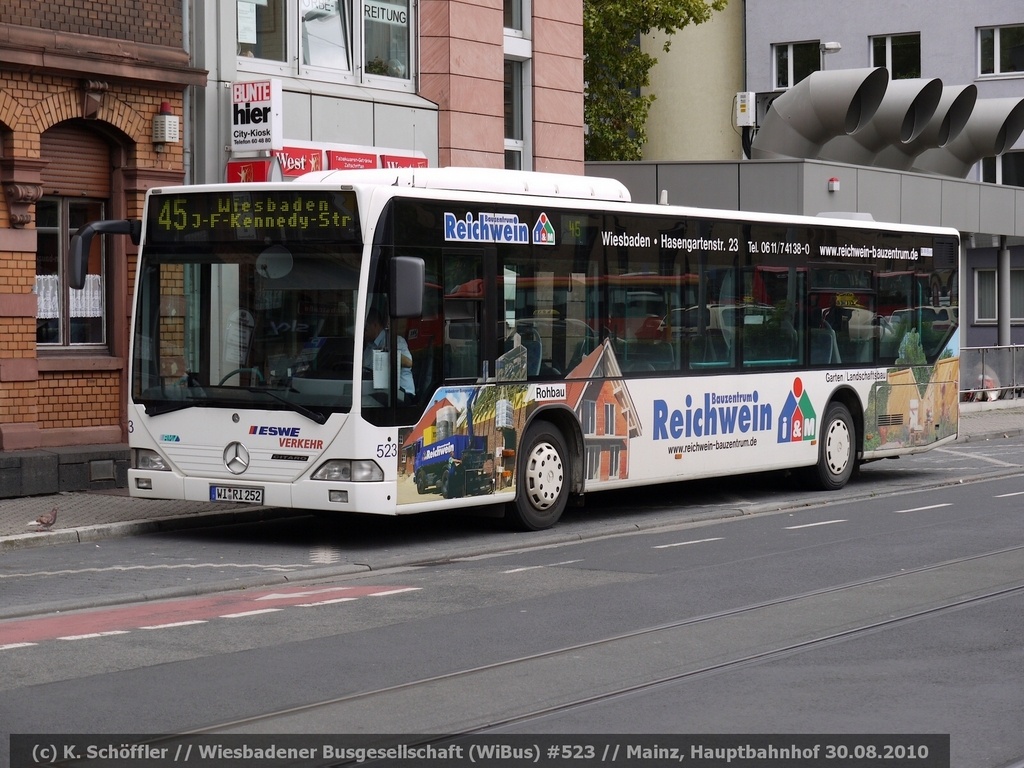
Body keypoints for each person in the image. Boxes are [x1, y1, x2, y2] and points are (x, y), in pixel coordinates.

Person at [364, 308, 415, 399]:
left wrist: (388, 352)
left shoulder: (395, 341)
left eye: (366, 329)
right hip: (376, 390)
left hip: (401, 393)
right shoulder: (369, 346)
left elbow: (408, 363)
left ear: (375, 325)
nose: (364, 333)